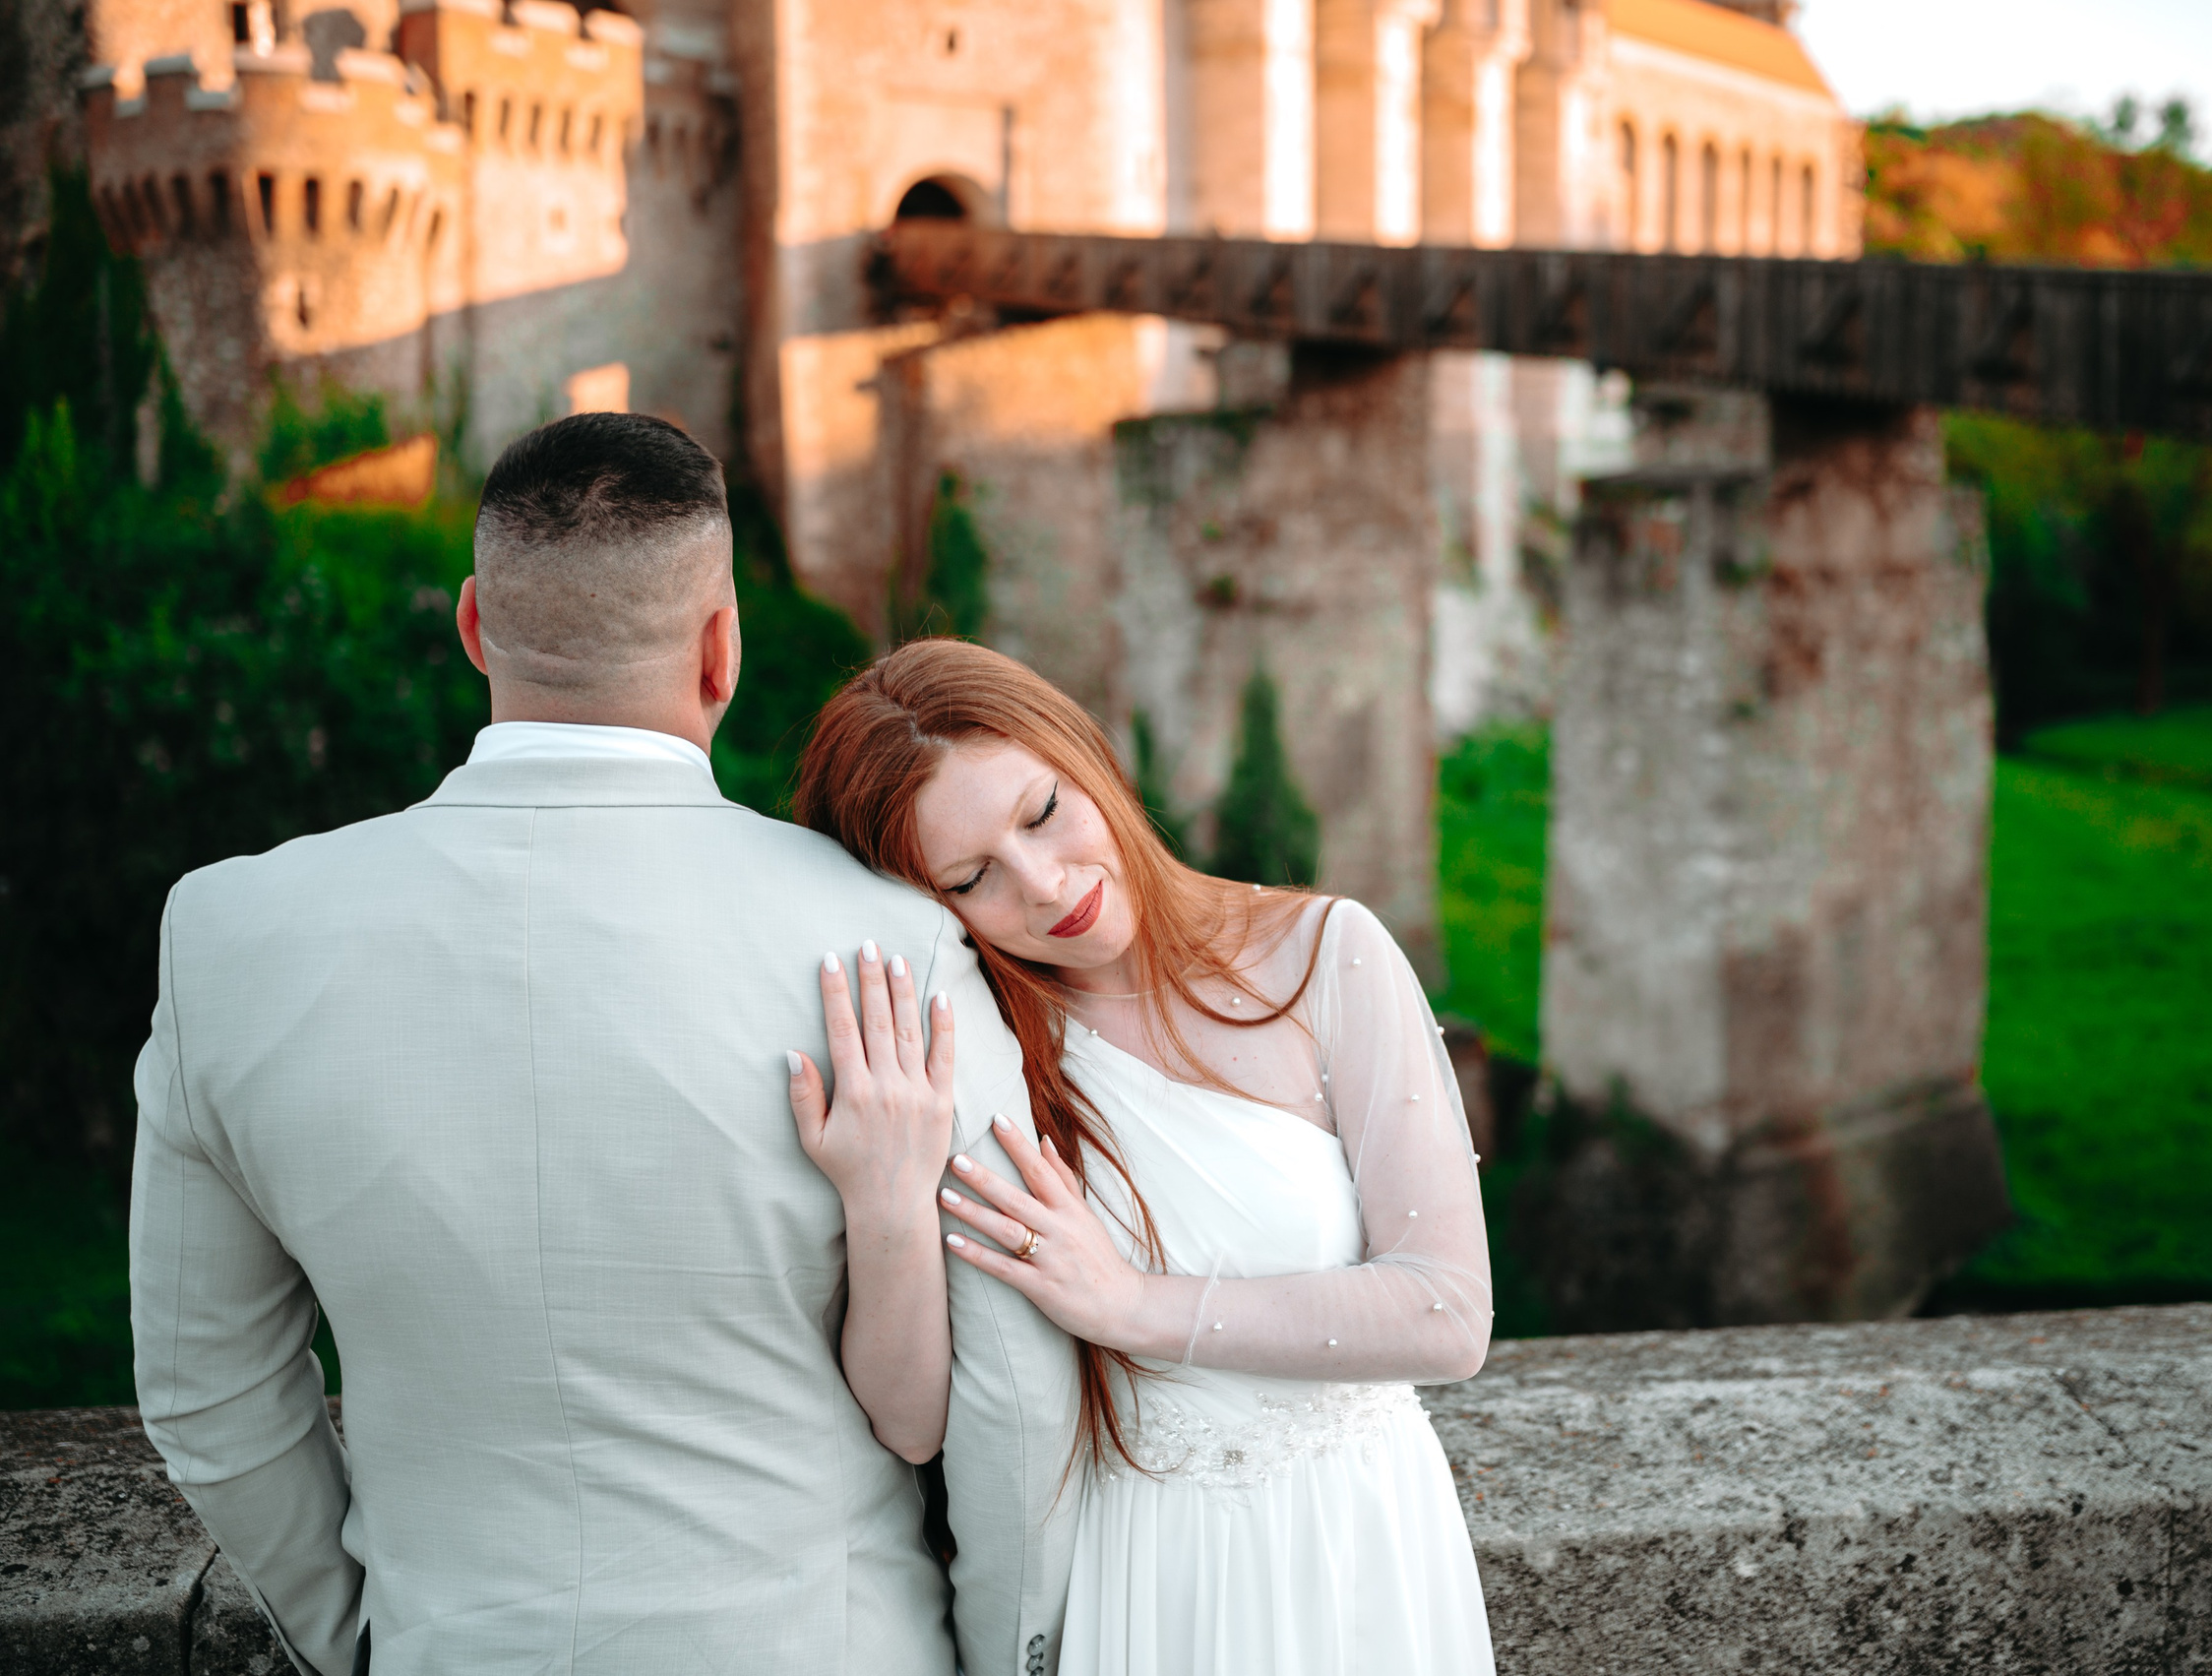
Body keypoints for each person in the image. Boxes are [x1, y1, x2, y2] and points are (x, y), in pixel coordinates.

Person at [127, 414, 1077, 1675]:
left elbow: (210, 1391)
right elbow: (1011, 1386)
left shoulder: (229, 936)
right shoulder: (887, 940)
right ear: (722, 645)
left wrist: (369, 1635)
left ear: (473, 626)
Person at [783, 639, 1497, 1676]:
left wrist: (1129, 1307)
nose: (1044, 882)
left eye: (1042, 812)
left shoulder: (1326, 952)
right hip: (1144, 1571)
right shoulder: (977, 1053)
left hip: (1362, 1540)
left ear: (1086, 754)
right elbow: (908, 1417)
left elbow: (1445, 1313)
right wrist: (882, 1195)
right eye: (973, 876)